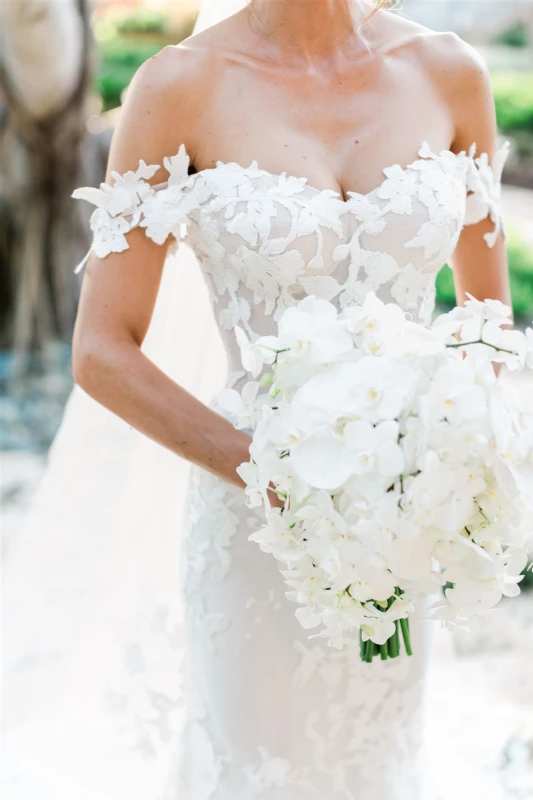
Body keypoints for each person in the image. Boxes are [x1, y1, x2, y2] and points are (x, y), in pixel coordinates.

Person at [5, 1, 511, 798]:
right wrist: (275, 475)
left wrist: (443, 454)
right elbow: (102, 351)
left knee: (378, 758)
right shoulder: (179, 87)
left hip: (402, 521)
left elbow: (484, 319)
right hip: (256, 523)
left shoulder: (451, 73)